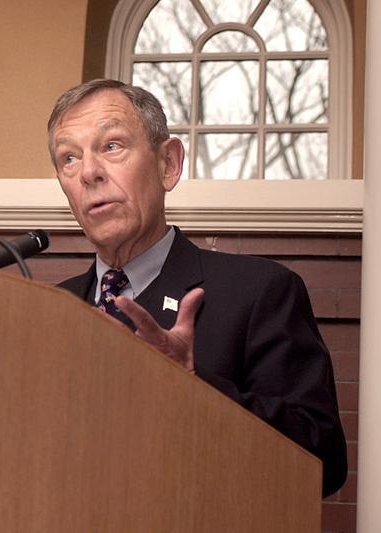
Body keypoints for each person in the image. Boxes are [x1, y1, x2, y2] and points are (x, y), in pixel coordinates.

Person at [49, 79, 347, 497]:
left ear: (167, 164)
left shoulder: (260, 291)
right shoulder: (49, 312)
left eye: (112, 146)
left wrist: (190, 383)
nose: (89, 172)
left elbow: (323, 463)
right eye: (69, 158)